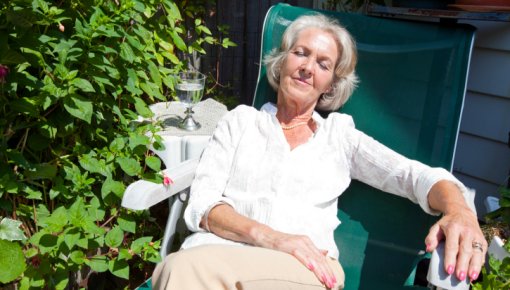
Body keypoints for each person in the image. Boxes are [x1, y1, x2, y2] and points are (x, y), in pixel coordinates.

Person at [152, 13, 486, 290]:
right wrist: (273, 237)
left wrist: (461, 212)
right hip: (215, 257)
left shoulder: (339, 137)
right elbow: (203, 207)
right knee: (184, 267)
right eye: (300, 53)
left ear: (331, 84)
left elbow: (414, 176)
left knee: (179, 271)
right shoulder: (239, 122)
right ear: (282, 61)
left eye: (323, 63)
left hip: (302, 270)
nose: (308, 67)